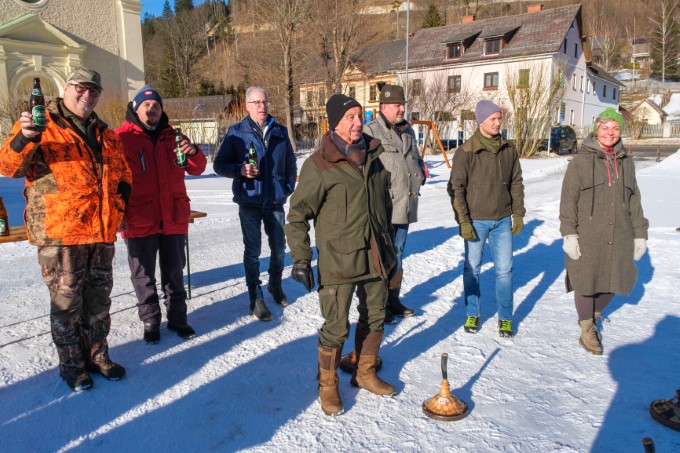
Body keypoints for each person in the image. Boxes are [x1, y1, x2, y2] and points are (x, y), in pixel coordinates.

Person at [0, 67, 131, 391]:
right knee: (67, 306)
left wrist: (121, 201)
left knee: (98, 302)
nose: (87, 95)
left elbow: (122, 173)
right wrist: (24, 137)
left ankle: (98, 357)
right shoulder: (41, 125)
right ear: (66, 88)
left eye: (94, 91)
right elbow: (8, 167)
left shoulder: (105, 133)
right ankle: (72, 367)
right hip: (62, 233)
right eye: (81, 88)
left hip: (101, 232)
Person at [285, 93, 397, 416]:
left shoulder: (373, 156)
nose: (358, 123)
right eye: (350, 117)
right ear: (335, 123)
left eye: (360, 116)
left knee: (375, 316)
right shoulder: (319, 165)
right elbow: (297, 216)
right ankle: (328, 384)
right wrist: (301, 257)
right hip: (338, 260)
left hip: (375, 256)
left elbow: (384, 207)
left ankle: (365, 372)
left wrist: (388, 248)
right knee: (336, 326)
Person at [339, 84, 425, 373]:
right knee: (382, 258)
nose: (401, 109)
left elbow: (416, 160)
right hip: (383, 208)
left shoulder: (408, 131)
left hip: (406, 206)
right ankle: (380, 306)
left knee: (398, 255)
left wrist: (419, 175)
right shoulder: (370, 132)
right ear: (384, 107)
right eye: (397, 105)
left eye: (403, 104)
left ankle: (393, 301)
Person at [116, 85, 207, 343]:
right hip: (138, 217)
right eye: (146, 105)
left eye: (156, 105)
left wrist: (194, 152)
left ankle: (178, 319)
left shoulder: (174, 137)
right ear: (136, 109)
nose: (152, 109)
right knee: (143, 276)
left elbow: (197, 169)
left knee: (175, 272)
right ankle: (151, 320)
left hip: (173, 215)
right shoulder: (121, 138)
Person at [559, 108, 648, 355]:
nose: (610, 132)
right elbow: (568, 201)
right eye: (605, 127)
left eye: (615, 128)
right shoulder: (580, 162)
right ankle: (587, 327)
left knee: (614, 280)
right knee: (585, 281)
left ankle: (593, 313)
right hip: (588, 234)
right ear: (596, 130)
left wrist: (640, 233)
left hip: (619, 234)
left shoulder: (626, 162)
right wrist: (569, 233)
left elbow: (634, 200)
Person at [214, 86, 297, 322]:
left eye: (265, 102)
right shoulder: (237, 132)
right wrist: (239, 170)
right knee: (253, 251)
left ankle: (275, 284)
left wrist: (287, 188)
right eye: (257, 102)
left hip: (275, 201)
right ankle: (255, 295)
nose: (262, 106)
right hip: (249, 200)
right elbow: (219, 165)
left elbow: (290, 164)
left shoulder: (279, 131)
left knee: (279, 248)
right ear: (248, 106)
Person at [447, 99, 525, 338]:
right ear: (481, 121)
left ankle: (505, 318)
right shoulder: (466, 151)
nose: (498, 123)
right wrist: (464, 221)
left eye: (500, 118)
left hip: (502, 221)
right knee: (472, 270)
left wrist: (518, 213)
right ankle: (472, 312)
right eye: (493, 118)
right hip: (476, 221)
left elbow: (516, 182)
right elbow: (456, 188)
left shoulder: (508, 149)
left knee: (505, 271)